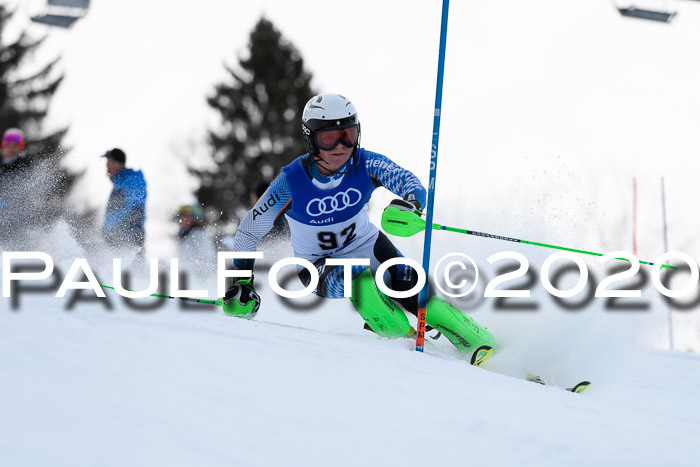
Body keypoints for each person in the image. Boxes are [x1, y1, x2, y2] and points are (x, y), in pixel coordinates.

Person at [222, 93, 497, 366]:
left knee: (415, 287)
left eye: (348, 135)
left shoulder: (365, 163)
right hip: (317, 266)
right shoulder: (290, 182)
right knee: (359, 281)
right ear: (311, 138)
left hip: (369, 245)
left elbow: (408, 182)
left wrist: (411, 205)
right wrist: (242, 282)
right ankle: (406, 345)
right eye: (329, 138)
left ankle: (481, 344)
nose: (341, 146)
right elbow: (248, 230)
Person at [101, 148, 147, 255]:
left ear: (113, 162)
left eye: (108, 162)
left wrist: (125, 234)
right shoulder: (121, 182)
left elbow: (136, 208)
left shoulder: (131, 180)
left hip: (126, 240)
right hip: (115, 238)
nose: (106, 166)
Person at [175, 204, 215, 277]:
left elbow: (205, 254)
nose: (183, 219)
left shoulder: (198, 233)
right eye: (181, 216)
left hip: (199, 275)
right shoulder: (183, 234)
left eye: (186, 216)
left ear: (193, 218)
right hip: (187, 274)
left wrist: (202, 272)